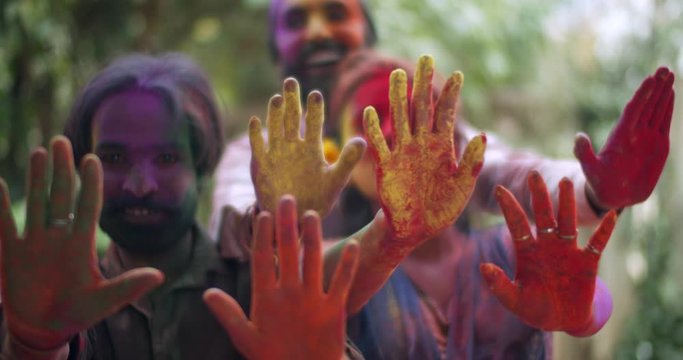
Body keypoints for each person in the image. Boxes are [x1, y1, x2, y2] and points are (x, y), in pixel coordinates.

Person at [0, 53, 363, 360]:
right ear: (83, 166)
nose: (140, 186)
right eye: (113, 157)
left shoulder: (264, 285)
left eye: (167, 157)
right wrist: (32, 344)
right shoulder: (53, 296)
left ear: (202, 166)